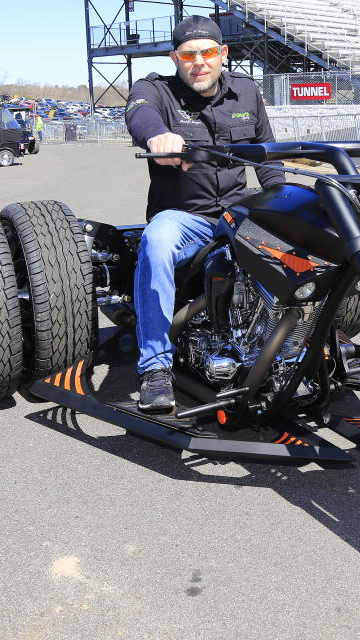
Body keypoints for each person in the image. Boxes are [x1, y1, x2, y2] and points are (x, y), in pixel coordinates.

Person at [124, 15, 285, 413]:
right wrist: (156, 135)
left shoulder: (247, 93)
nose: (199, 61)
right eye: (188, 54)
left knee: (299, 239)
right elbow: (139, 114)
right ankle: (156, 368)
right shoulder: (154, 90)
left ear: (223, 54)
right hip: (183, 217)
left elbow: (268, 155)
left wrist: (279, 203)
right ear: (175, 57)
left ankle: (301, 343)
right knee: (156, 243)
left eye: (208, 52)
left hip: (238, 211)